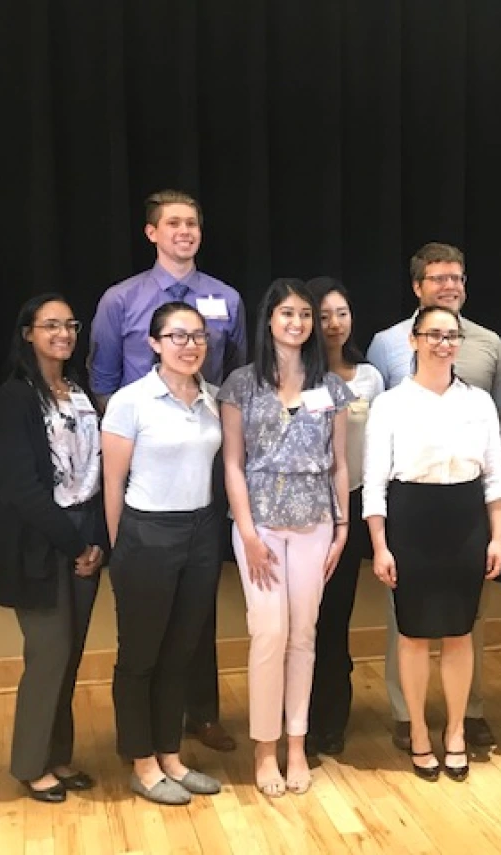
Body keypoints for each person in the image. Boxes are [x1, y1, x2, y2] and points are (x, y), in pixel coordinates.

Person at [90, 189, 244, 753]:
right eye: (173, 223)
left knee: (194, 616)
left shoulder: (225, 298)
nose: (185, 231)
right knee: (147, 627)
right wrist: (148, 432)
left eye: (193, 223)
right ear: (151, 232)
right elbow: (103, 383)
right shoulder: (120, 300)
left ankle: (199, 715)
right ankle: (145, 745)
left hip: (204, 471)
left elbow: (235, 381)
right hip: (145, 468)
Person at [366, 241, 501, 751]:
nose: (444, 342)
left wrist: (497, 536)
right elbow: (375, 478)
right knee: (408, 630)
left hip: (466, 516)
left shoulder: (479, 393)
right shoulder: (388, 396)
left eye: (451, 337)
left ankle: (458, 727)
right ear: (414, 338)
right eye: (434, 335)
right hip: (411, 516)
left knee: (461, 629)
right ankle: (416, 728)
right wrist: (381, 544)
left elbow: (496, 472)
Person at [219, 279, 353, 797]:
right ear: (268, 320)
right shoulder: (241, 384)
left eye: (304, 315)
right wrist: (248, 532)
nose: (296, 323)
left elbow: (340, 464)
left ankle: (297, 745)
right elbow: (232, 464)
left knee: (304, 635)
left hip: (316, 522)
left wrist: (342, 527)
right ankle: (264, 749)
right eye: (287, 314)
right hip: (262, 526)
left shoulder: (332, 389)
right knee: (269, 633)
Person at [101, 302, 224, 805]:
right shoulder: (132, 402)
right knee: (141, 656)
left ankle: (171, 754)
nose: (190, 345)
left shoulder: (213, 399)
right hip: (146, 534)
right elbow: (112, 485)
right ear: (153, 344)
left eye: (197, 336)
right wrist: (122, 549)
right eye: (177, 336)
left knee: (181, 653)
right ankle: (142, 761)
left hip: (201, 532)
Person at [0, 294, 107, 803]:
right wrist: (76, 541)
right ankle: (30, 763)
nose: (63, 333)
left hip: (85, 536)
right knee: (48, 654)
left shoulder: (79, 393)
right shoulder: (16, 398)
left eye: (70, 325)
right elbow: (21, 488)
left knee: (70, 655)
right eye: (51, 325)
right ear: (28, 333)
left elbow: (98, 472)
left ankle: (58, 757)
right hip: (41, 543)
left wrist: (97, 537)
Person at [303, 277, 385, 757]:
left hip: (351, 507)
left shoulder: (371, 377)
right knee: (303, 621)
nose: (334, 324)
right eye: (324, 315)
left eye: (342, 313)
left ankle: (331, 720)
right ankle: (299, 717)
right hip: (305, 510)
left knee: (336, 618)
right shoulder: (299, 377)